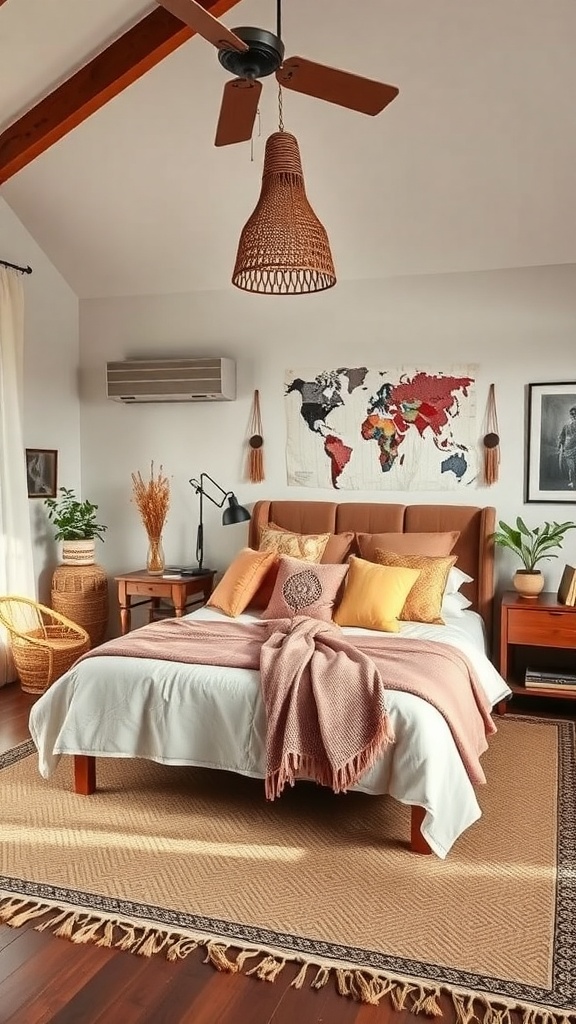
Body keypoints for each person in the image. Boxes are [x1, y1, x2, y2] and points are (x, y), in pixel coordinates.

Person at [558, 406, 576, 489]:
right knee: (572, 468)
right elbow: (562, 437)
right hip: (569, 451)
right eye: (572, 414)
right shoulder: (566, 427)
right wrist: (560, 446)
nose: (574, 416)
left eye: (575, 414)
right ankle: (573, 482)